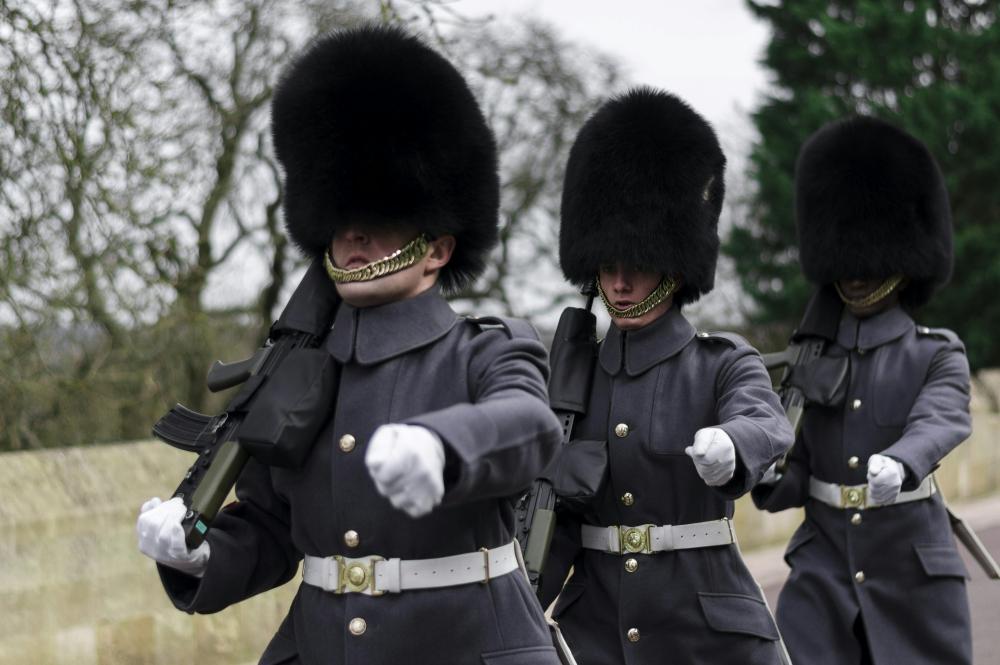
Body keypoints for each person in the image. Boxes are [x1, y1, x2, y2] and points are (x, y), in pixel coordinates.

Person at [135, 25, 565, 665]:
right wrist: (199, 553)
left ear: (438, 249)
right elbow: (273, 528)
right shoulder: (300, 369)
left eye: (383, 219)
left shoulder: (488, 350)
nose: (355, 232)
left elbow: (530, 427)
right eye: (342, 218)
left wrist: (446, 447)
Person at [538, 87, 794, 665]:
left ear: (674, 270)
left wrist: (733, 443)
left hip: (704, 629)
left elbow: (766, 420)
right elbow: (553, 520)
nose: (621, 284)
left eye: (637, 266)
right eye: (608, 267)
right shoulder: (572, 382)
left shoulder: (721, 361)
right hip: (597, 628)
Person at [752, 116, 973, 665]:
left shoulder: (934, 352)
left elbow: (942, 418)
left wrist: (901, 462)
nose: (854, 274)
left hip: (910, 570)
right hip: (823, 570)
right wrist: (761, 470)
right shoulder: (813, 355)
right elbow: (796, 471)